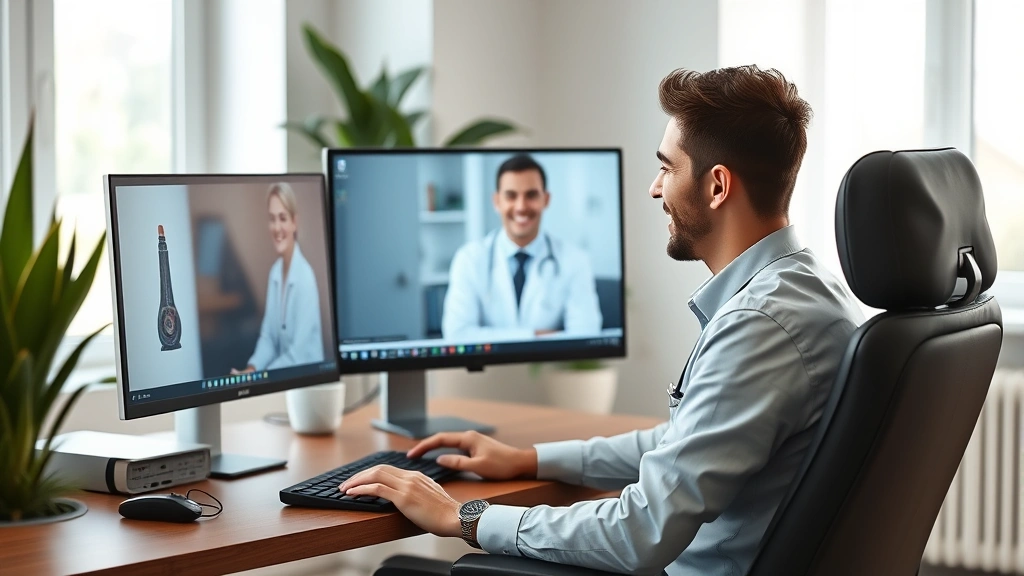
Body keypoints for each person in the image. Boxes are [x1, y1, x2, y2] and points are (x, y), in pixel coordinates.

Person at [339, 66, 866, 575]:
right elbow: (686, 439)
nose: (655, 189)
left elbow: (640, 532)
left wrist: (463, 516)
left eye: (667, 167)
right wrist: (531, 459)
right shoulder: (806, 288)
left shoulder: (761, 324)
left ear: (717, 186)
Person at [441, 154, 603, 341]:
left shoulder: (575, 260)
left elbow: (586, 336)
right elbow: (456, 335)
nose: (521, 207)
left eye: (531, 195)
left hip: (551, 369)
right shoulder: (469, 259)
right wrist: (534, 335)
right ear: (497, 201)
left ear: (546, 199)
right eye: (511, 196)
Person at [232, 182, 324, 373]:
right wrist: (251, 370)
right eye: (272, 219)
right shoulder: (275, 272)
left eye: (282, 218)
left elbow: (297, 355)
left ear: (294, 222)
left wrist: (260, 378)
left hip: (308, 385)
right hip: (285, 382)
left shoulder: (305, 278)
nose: (276, 227)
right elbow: (268, 338)